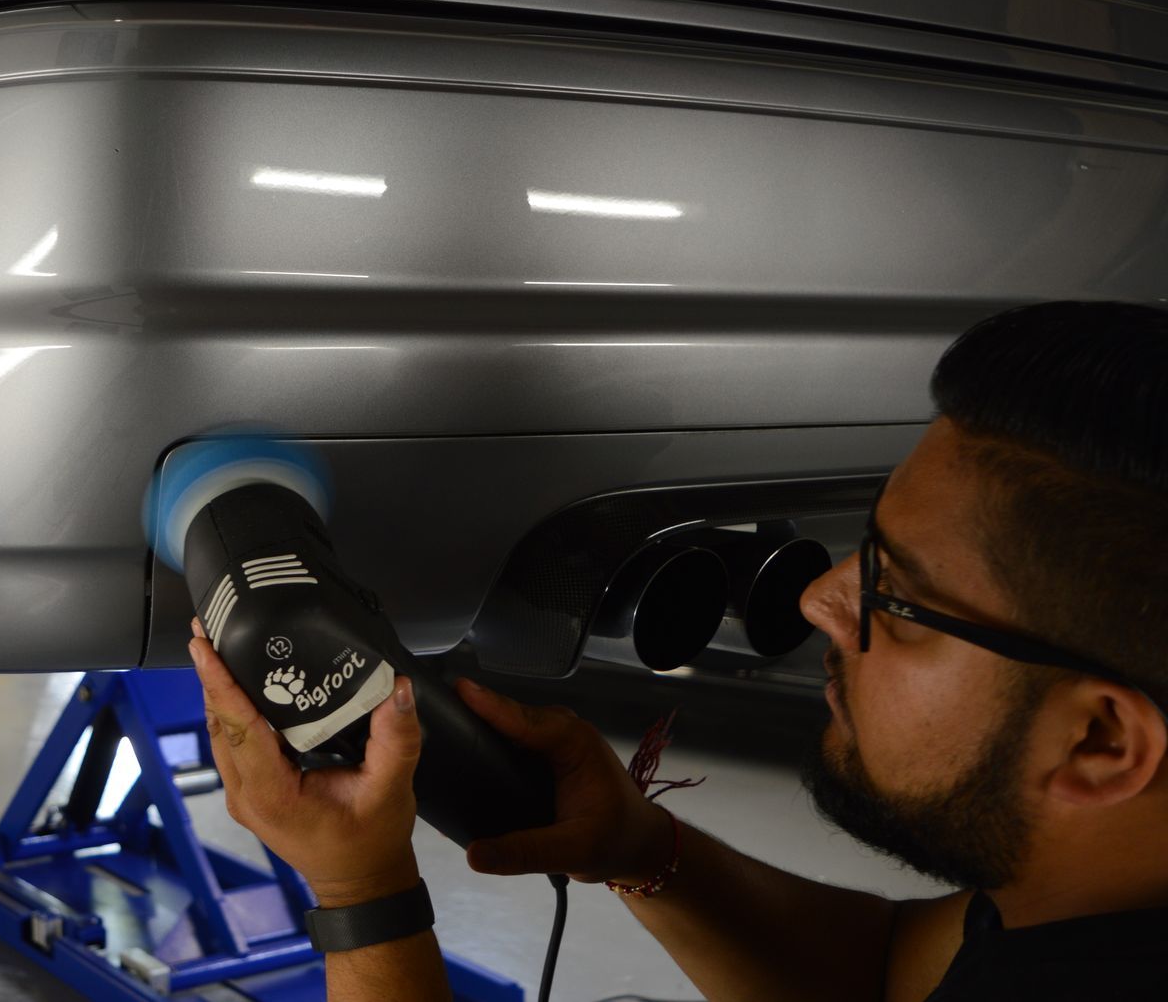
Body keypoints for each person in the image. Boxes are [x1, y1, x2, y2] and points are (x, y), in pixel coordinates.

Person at [186, 300, 1168, 1001]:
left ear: (1102, 740)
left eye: (898, 598)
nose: (825, 596)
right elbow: (887, 972)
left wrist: (365, 899)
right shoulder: (1092, 906)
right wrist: (643, 849)